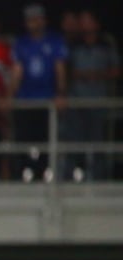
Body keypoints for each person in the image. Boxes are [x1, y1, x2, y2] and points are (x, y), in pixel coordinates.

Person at [10, 4, 68, 181]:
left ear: (44, 20)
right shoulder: (21, 43)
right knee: (24, 142)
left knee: (46, 142)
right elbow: (17, 73)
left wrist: (61, 94)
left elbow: (60, 70)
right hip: (26, 101)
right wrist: (9, 96)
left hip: (47, 102)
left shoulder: (55, 41)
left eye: (37, 19)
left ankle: (45, 176)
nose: (34, 23)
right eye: (30, 20)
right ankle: (23, 177)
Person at [64, 11, 120, 181]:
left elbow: (117, 70)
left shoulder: (107, 44)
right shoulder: (73, 45)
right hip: (76, 104)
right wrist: (79, 75)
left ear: (96, 24)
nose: (84, 25)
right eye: (81, 22)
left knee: (97, 142)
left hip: (98, 102)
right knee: (74, 142)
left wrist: (96, 75)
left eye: (87, 21)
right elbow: (65, 72)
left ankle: (98, 178)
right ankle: (69, 178)